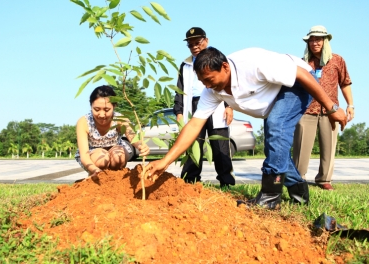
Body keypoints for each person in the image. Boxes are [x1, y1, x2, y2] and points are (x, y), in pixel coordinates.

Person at [144, 47, 347, 210]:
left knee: (276, 128)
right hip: (273, 94)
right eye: (202, 81)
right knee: (275, 148)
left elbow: (302, 74)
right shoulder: (211, 90)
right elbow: (194, 125)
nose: (206, 86)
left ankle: (269, 197)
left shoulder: (253, 64)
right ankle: (299, 192)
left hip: (298, 83)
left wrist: (331, 108)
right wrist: (164, 161)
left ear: (224, 67)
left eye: (209, 79)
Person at [293, 25, 354, 191]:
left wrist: (350, 105)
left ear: (325, 41)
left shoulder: (337, 60)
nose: (314, 43)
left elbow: (345, 83)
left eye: (318, 39)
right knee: (301, 147)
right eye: (311, 40)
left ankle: (324, 179)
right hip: (306, 110)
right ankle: (298, 178)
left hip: (331, 111)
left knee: (329, 147)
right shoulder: (303, 63)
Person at [173, 27, 234, 187]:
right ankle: (189, 182)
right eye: (190, 44)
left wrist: (229, 105)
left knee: (220, 145)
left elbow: (228, 82)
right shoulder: (185, 64)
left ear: (206, 41)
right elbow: (179, 89)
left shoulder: (218, 59)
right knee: (193, 143)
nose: (194, 46)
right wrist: (179, 111)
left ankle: (226, 182)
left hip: (217, 104)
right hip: (193, 105)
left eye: (197, 43)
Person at [75, 85, 150, 180]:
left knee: (118, 156)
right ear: (91, 105)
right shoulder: (84, 122)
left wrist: (140, 145)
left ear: (114, 106)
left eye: (107, 110)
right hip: (94, 156)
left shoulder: (120, 119)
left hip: (117, 150)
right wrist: (94, 169)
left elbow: (132, 136)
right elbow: (84, 155)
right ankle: (95, 179)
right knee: (102, 158)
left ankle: (116, 181)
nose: (102, 115)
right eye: (96, 109)